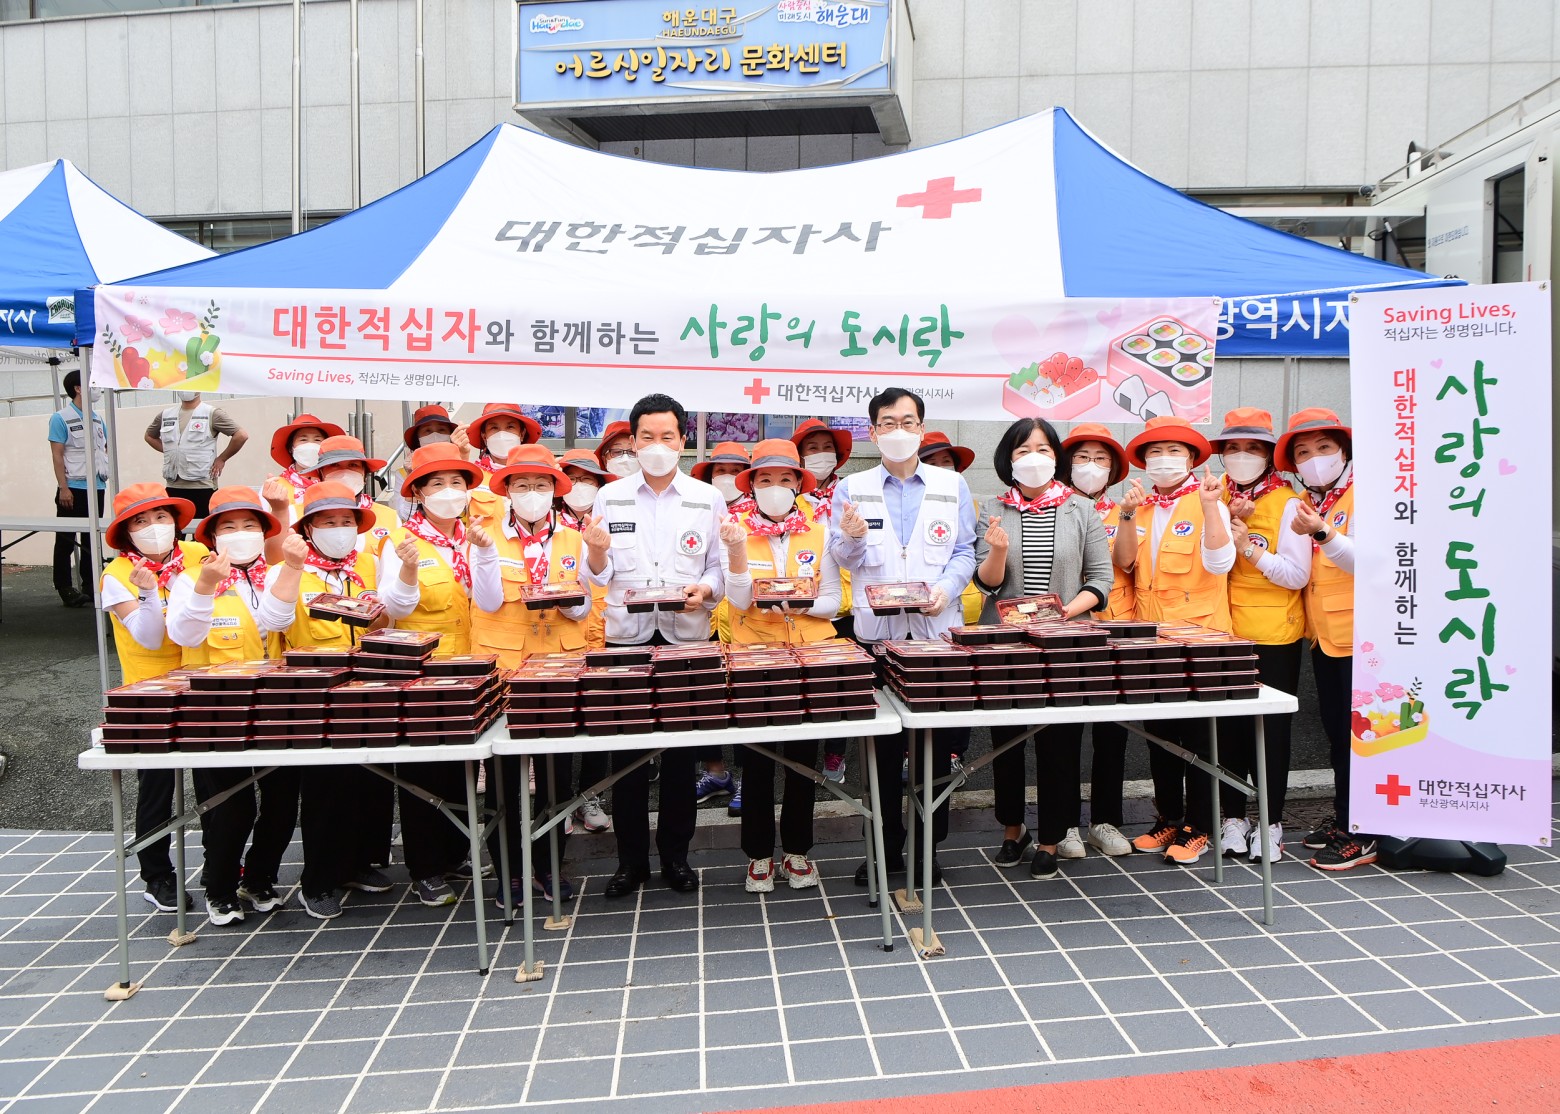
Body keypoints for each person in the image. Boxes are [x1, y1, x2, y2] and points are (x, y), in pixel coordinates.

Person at [827, 387, 977, 887]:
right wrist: (852, 537)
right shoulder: (852, 488)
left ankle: (927, 849)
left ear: (921, 429)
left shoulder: (952, 484)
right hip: (878, 639)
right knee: (882, 751)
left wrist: (945, 589)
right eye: (888, 423)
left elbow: (965, 550)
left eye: (908, 422)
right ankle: (883, 849)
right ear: (873, 432)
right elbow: (843, 558)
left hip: (935, 637)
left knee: (934, 748)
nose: (898, 431)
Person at [583, 393, 727, 899]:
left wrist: (705, 590)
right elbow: (597, 574)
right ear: (634, 441)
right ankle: (630, 862)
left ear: (683, 441)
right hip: (627, 637)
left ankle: (676, 857)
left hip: (687, 635)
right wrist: (595, 554)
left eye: (667, 436)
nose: (657, 445)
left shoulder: (706, 498)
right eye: (648, 437)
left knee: (682, 756)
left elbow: (719, 567)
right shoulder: (611, 496)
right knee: (629, 756)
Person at [976, 419, 1113, 879]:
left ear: (1056, 457)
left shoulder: (1082, 509)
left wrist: (1064, 613)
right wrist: (997, 551)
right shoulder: (992, 508)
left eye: (1043, 449)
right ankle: (1012, 829)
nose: (1033, 458)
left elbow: (1101, 578)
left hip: (1065, 643)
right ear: (1008, 459)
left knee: (1060, 742)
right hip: (1005, 643)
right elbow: (986, 583)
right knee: (1006, 740)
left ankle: (1052, 837)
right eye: (1022, 450)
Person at [259, 482, 394, 918]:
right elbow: (274, 619)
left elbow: (387, 620)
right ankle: (317, 881)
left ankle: (357, 864)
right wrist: (292, 567)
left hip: (367, 687)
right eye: (328, 522)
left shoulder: (367, 564)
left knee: (370, 781)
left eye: (346, 521)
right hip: (312, 696)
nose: (339, 529)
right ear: (308, 529)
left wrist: (381, 618)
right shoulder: (289, 567)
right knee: (325, 789)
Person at [164, 486, 297, 925]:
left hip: (274, 706)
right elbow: (184, 634)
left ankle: (259, 878)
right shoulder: (189, 578)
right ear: (213, 537)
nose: (240, 534)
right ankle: (219, 887)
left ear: (263, 532)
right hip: (215, 712)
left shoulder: (273, 573)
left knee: (282, 800)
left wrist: (291, 568)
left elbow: (278, 620)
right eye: (229, 527)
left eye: (249, 525)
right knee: (229, 806)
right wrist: (206, 586)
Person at [378, 442, 501, 906]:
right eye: (437, 484)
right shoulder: (402, 542)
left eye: (456, 482)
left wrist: (484, 555)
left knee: (462, 767)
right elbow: (393, 606)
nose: (449, 491)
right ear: (418, 493)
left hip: (471, 668)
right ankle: (426, 867)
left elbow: (488, 599)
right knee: (424, 771)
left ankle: (455, 853)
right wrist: (409, 571)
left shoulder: (476, 537)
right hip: (421, 674)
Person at [469, 445, 593, 905]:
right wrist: (485, 555)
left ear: (555, 490)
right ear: (506, 490)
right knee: (503, 780)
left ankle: (548, 867)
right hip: (504, 672)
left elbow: (584, 607)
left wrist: (562, 597)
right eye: (521, 485)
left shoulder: (575, 538)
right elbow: (486, 601)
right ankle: (508, 873)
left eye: (541, 485)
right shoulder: (485, 536)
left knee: (556, 778)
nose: (532, 493)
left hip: (558, 670)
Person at [717, 439, 843, 892]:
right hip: (755, 658)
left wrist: (799, 604)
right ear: (751, 485)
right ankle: (757, 854)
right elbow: (738, 599)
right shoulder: (733, 529)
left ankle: (797, 850)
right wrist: (736, 553)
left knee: (801, 760)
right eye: (765, 479)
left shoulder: (820, 530)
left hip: (809, 657)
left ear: (798, 484)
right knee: (757, 759)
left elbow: (833, 601)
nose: (775, 487)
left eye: (785, 479)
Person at [1118, 415, 1234, 866]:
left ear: (1191, 459)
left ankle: (1200, 826)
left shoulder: (1209, 499)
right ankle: (1168, 817)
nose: (1163, 460)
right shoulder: (1142, 505)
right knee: (1160, 735)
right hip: (1151, 638)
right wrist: (1127, 514)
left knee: (1201, 738)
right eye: (1155, 453)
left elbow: (1220, 563)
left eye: (1174, 452)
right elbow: (1125, 563)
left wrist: (1211, 507)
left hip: (1202, 639)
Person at [100, 482, 208, 913]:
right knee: (157, 787)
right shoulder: (116, 575)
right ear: (126, 533)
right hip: (150, 696)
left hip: (204, 682)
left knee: (216, 780)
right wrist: (147, 593)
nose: (154, 527)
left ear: (176, 521)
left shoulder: (198, 555)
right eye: (140, 521)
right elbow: (148, 636)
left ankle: (223, 867)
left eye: (161, 517)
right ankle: (156, 875)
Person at [1210, 408, 1309, 863]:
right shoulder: (1213, 494)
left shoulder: (1288, 502)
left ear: (1269, 455)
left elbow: (1296, 575)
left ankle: (1270, 823)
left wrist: (1248, 546)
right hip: (1222, 632)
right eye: (1233, 448)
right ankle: (1232, 817)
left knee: (1270, 732)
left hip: (1273, 635)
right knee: (1228, 729)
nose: (1241, 456)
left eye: (1252, 448)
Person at [1275, 408, 1371, 871]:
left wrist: (1323, 531)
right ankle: (1346, 817)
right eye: (1303, 452)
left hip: (1368, 641)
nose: (1314, 458)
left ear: (1344, 451)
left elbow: (1368, 563)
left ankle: (1365, 832)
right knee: (1337, 732)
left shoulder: (1367, 492)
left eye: (1324, 447)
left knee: (1364, 737)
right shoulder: (1312, 501)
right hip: (1327, 637)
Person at [1059, 423, 1140, 857]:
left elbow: (1125, 562)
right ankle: (1065, 824)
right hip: (1068, 633)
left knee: (1112, 731)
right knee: (1066, 731)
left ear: (1113, 469)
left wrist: (1126, 515)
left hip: (1115, 631)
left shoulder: (1125, 508)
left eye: (1101, 459)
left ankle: (1105, 821)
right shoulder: (1056, 507)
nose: (1091, 466)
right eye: (1082, 458)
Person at [792, 418, 856, 784]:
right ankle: (800, 755)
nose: (820, 454)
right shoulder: (790, 499)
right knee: (805, 683)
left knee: (840, 685)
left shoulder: (853, 495)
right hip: (808, 609)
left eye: (826, 448)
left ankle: (835, 753)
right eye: (811, 449)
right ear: (800, 457)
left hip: (849, 608)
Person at [690, 441, 753, 811]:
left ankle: (746, 780)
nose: (727, 478)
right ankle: (715, 771)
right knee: (704, 700)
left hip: (745, 625)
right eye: (720, 471)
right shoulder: (697, 511)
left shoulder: (758, 516)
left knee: (743, 701)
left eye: (735, 471)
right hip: (703, 618)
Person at [554, 447, 613, 834]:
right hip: (562, 636)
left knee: (600, 721)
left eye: (588, 479)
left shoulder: (613, 517)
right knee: (560, 723)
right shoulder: (548, 525)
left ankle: (591, 796)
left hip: (608, 629)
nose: (580, 486)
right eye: (572, 478)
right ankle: (560, 803)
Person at [916, 431, 983, 772]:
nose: (941, 468)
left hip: (960, 609)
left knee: (955, 688)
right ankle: (914, 755)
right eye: (932, 462)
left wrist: (947, 590)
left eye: (947, 462)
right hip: (913, 614)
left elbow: (967, 552)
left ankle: (953, 753)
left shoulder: (965, 500)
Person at [47, 370, 108, 608]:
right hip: (73, 487)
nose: (97, 389)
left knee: (92, 538)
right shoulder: (60, 418)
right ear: (78, 388)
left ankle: (90, 585)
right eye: (92, 384)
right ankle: (64, 587)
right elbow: (57, 455)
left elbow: (103, 449)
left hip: (97, 486)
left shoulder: (97, 418)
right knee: (66, 539)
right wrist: (63, 487)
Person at [143, 391, 248, 518]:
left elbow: (241, 436)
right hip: (173, 485)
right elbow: (149, 436)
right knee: (176, 527)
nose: (185, 390)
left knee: (201, 528)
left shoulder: (212, 413)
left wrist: (222, 459)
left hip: (203, 486)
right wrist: (171, 452)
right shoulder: (166, 415)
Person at [293, 435, 399, 555]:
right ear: (320, 473)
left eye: (353, 465)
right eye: (334, 465)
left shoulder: (390, 517)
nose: (344, 472)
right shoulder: (295, 515)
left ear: (365, 475)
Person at [268, 412, 346, 510]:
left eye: (317, 440)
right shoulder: (276, 487)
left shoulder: (337, 483)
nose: (310, 445)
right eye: (303, 440)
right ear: (291, 448)